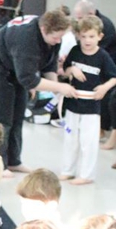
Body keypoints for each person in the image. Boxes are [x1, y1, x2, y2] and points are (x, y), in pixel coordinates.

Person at [0, 9, 78, 178]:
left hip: (15, 68)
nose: (58, 41)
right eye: (56, 37)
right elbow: (29, 80)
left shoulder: (53, 36)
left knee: (17, 117)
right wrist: (60, 88)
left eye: (61, 37)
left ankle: (14, 160)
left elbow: (49, 65)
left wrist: (55, 87)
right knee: (0, 119)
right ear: (44, 29)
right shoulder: (26, 39)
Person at [59, 16, 116, 185]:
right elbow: (64, 69)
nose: (87, 40)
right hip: (73, 102)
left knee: (88, 142)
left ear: (100, 36)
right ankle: (67, 170)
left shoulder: (103, 56)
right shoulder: (75, 51)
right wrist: (71, 69)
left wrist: (104, 88)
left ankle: (86, 174)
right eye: (83, 36)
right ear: (78, 36)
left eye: (91, 36)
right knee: (70, 139)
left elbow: (114, 77)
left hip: (91, 106)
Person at [73, 0, 116, 144]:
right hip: (93, 67)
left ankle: (101, 129)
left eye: (80, 18)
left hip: (106, 67)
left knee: (104, 94)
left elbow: (93, 53)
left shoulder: (105, 27)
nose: (78, 21)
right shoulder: (85, 28)